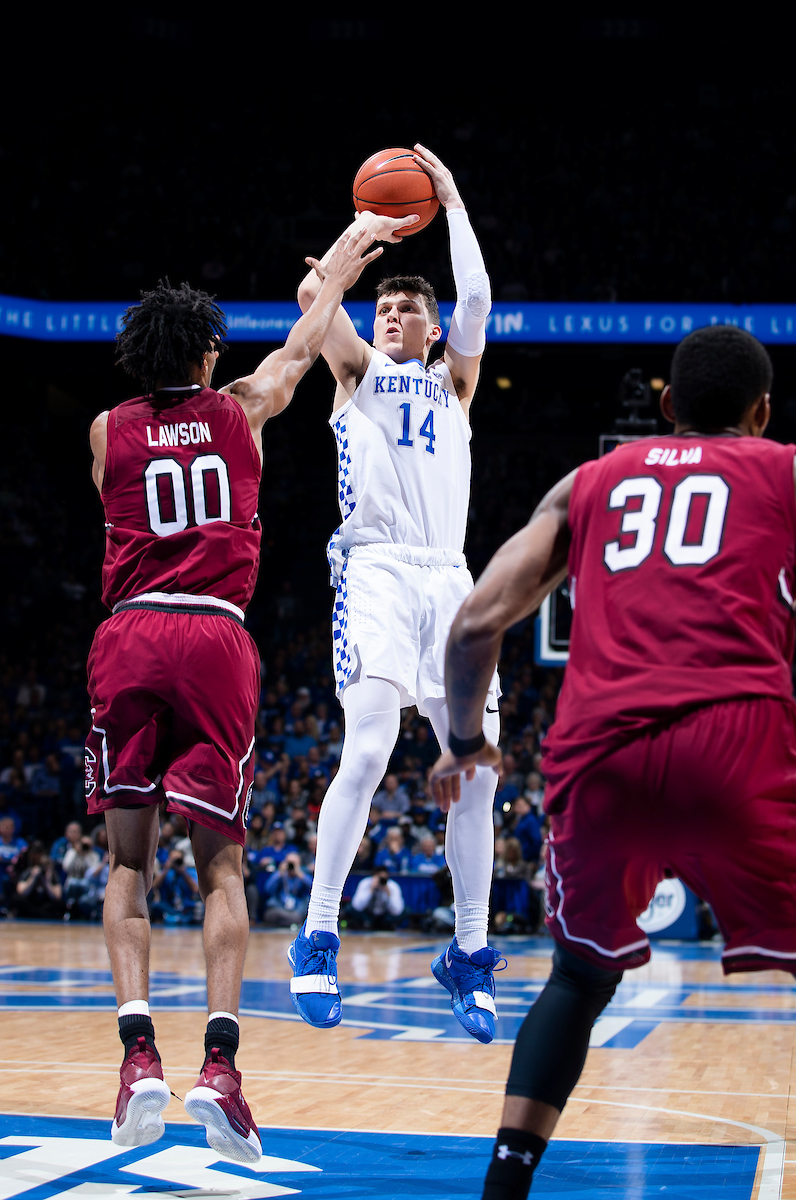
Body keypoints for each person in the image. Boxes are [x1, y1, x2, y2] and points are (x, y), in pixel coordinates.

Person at [430, 324, 796, 1199]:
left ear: (666, 409)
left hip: (601, 752)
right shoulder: (784, 471)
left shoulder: (589, 484)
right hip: (734, 738)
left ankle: (506, 1184)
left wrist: (465, 743)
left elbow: (476, 623)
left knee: (581, 974)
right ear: (763, 413)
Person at [85, 229, 382, 1162]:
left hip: (130, 632)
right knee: (222, 868)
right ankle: (220, 1068)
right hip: (215, 634)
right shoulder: (243, 405)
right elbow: (308, 335)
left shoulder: (106, 430)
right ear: (209, 352)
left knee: (128, 866)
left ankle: (138, 1059)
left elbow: (117, 489)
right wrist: (350, 254)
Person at [288, 144, 503, 1044]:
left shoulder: (455, 381)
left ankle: (468, 951)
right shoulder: (356, 374)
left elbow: (480, 300)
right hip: (375, 569)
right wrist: (359, 237)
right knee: (370, 746)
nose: (392, 314)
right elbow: (313, 303)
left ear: (429, 325)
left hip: (448, 577)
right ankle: (318, 934)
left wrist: (449, 200)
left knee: (475, 776)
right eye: (384, 306)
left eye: (406, 307)